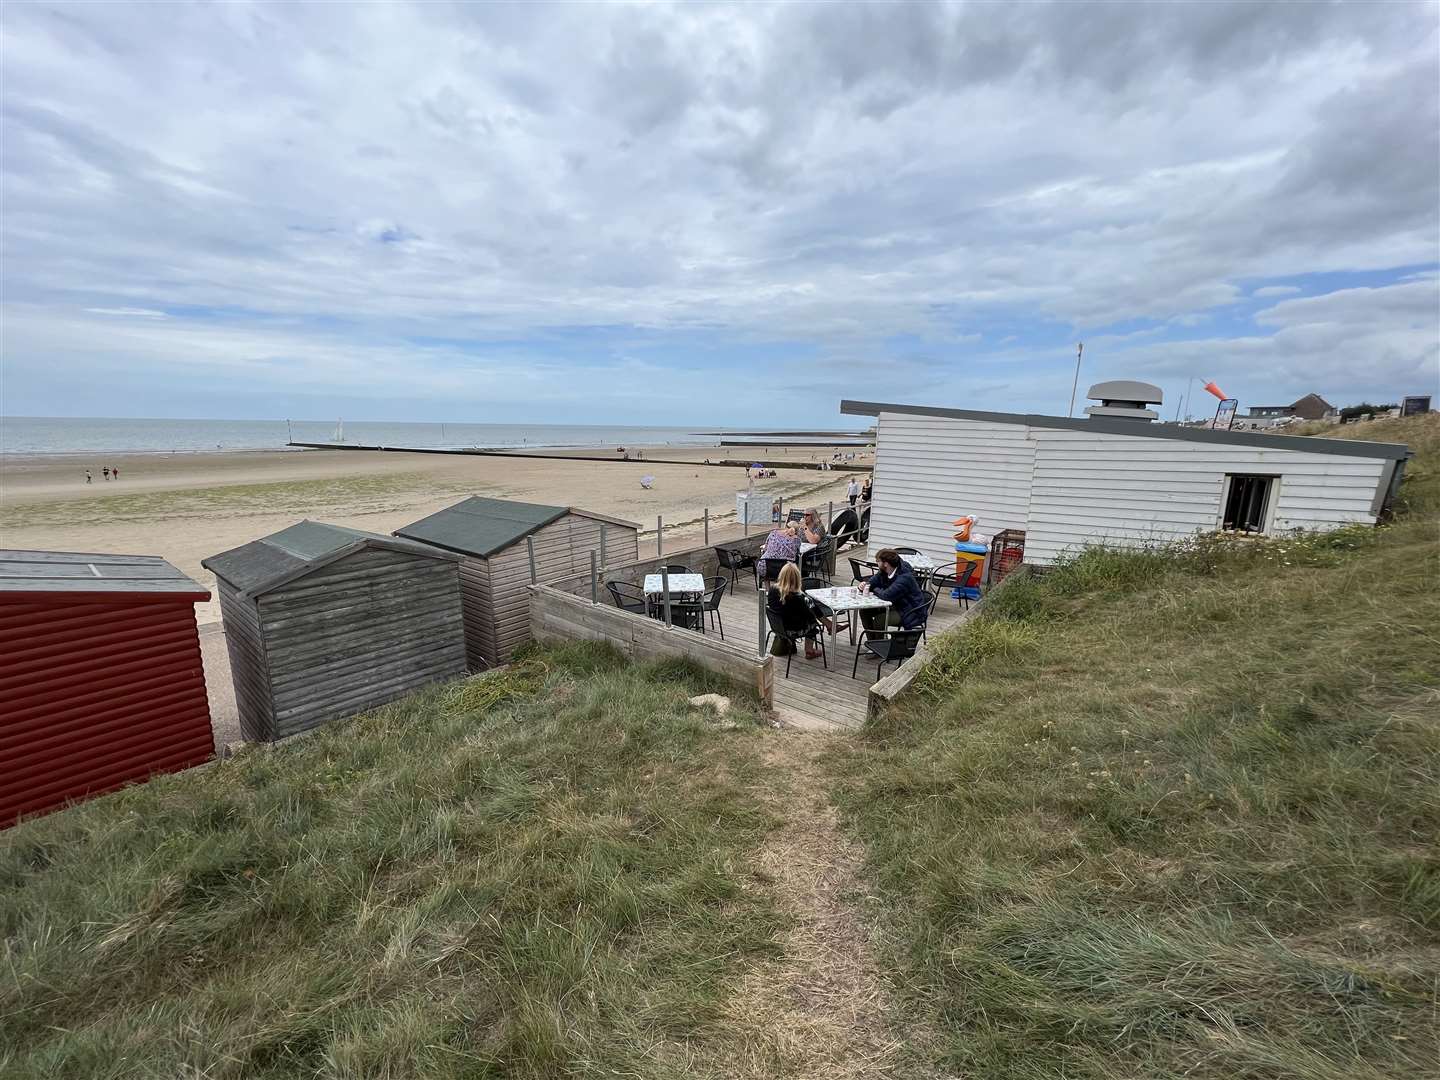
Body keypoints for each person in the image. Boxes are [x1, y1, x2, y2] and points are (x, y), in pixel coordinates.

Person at [859, 548, 930, 630]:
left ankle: (880, 642)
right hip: (896, 605)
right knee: (864, 612)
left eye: (878, 561)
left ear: (885, 563)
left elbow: (886, 595)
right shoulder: (886, 570)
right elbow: (873, 581)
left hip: (910, 611)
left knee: (880, 620)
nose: (877, 563)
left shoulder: (904, 578)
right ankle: (872, 641)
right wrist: (864, 585)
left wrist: (874, 588)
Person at [768, 562, 823, 659]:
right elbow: (810, 617)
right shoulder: (796, 598)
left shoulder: (772, 589)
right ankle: (809, 651)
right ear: (797, 578)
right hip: (791, 630)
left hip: (777, 627)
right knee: (813, 625)